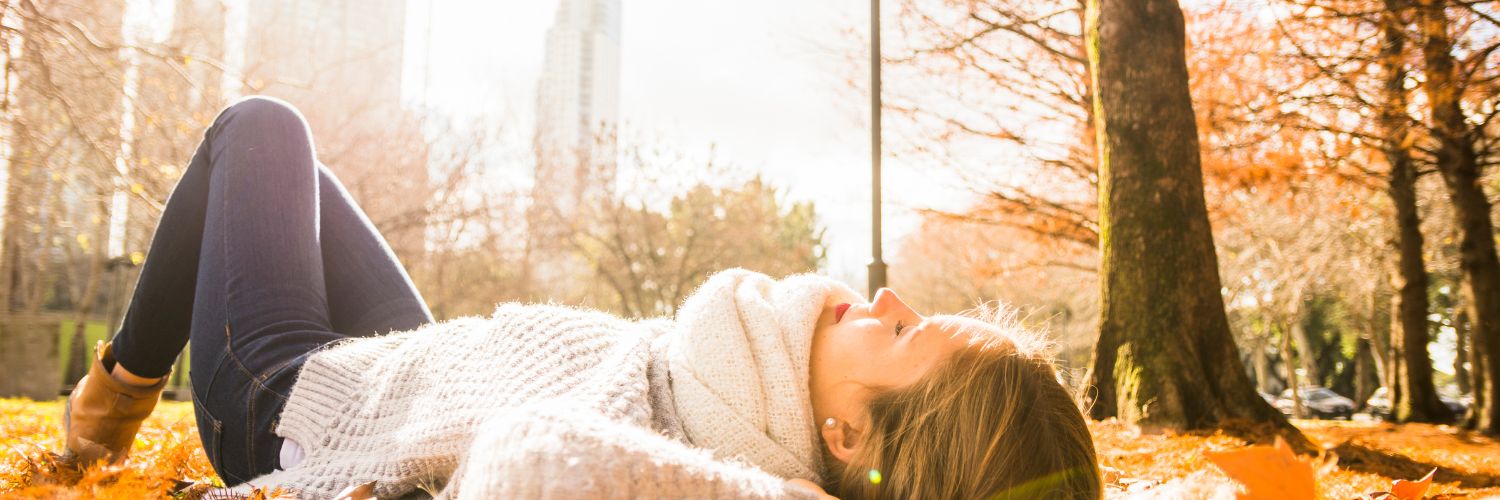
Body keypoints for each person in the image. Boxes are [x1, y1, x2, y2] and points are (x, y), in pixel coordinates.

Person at [61, 96, 1101, 499]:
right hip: (427, 364)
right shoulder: (739, 378)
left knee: (262, 132)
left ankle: (117, 389)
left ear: (845, 427)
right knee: (314, 192)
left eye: (904, 334)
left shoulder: (663, 463)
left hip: (288, 403)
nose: (885, 294)